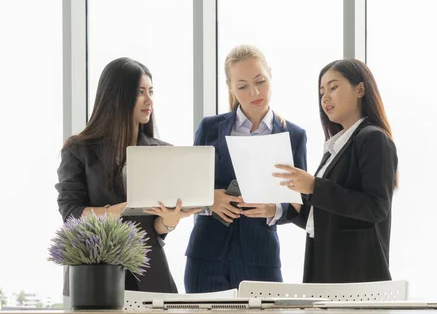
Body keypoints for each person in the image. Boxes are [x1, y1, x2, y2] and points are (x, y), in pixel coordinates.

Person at [56, 57, 200, 295]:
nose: (149, 100)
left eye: (151, 91)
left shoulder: (162, 152)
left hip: (151, 275)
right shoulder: (78, 149)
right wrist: (123, 209)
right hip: (96, 276)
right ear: (117, 96)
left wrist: (170, 220)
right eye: (140, 92)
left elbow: (157, 227)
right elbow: (71, 213)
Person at [184, 45, 307, 292]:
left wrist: (273, 209)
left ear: (270, 74)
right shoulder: (209, 128)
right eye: (242, 86)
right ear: (229, 87)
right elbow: (189, 188)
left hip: (260, 257)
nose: (254, 92)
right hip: (206, 255)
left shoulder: (293, 135)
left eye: (260, 81)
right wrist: (210, 198)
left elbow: (300, 203)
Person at [273, 58, 398, 283]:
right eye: (322, 92)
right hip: (327, 273)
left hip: (357, 278)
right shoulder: (334, 149)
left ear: (360, 89)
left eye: (333, 87)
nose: (325, 97)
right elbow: (326, 220)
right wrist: (286, 205)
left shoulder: (373, 139)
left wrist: (314, 186)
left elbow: (376, 208)